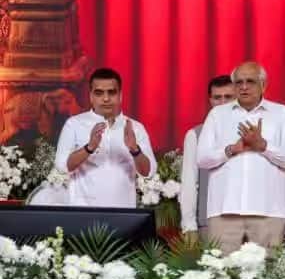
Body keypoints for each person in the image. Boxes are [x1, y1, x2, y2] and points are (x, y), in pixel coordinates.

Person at [196, 61, 285, 254]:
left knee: (267, 278)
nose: (243, 87)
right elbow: (202, 159)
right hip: (224, 211)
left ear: (263, 85)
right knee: (221, 276)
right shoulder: (217, 115)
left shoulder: (281, 114)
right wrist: (231, 150)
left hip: (269, 210)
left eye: (250, 81)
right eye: (239, 82)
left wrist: (263, 146)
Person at [53, 68, 155, 207]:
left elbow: (148, 172)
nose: (106, 98)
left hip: (123, 213)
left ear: (120, 95)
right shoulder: (74, 124)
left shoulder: (135, 128)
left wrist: (134, 149)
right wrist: (89, 148)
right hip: (83, 211)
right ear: (91, 96)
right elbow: (62, 166)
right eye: (99, 93)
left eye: (111, 92)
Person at [180, 75, 235, 241]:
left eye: (228, 97)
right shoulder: (195, 135)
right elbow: (189, 183)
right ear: (210, 100)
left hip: (247, 220)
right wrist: (189, 226)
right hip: (208, 222)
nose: (223, 102)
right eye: (218, 97)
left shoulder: (250, 134)